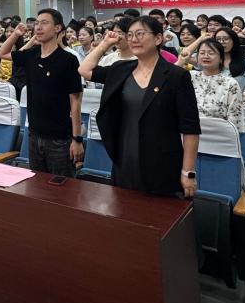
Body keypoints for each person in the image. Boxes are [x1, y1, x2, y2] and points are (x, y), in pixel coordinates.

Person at [80, 17, 201, 197]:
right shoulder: (121, 69)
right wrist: (105, 44)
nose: (133, 39)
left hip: (161, 163)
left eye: (140, 34)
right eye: (129, 35)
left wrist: (188, 171)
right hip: (124, 158)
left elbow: (190, 128)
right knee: (124, 208)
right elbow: (84, 70)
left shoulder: (176, 75)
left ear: (158, 38)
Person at [0, 9, 83, 176]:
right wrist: (16, 34)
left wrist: (77, 139)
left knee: (63, 187)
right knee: (37, 186)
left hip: (60, 139)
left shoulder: (68, 60)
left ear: (58, 28)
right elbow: (2, 53)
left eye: (44, 23)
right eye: (36, 23)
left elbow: (75, 101)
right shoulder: (31, 55)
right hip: (34, 135)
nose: (38, 27)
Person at [182, 37, 244, 133]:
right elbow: (167, 77)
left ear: (221, 59)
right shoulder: (189, 76)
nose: (206, 56)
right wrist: (200, 39)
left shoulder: (230, 83)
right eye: (202, 53)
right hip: (189, 131)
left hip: (220, 133)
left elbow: (235, 119)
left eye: (211, 53)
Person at [214, 27, 245, 102]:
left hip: (234, 106)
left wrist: (236, 102)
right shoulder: (208, 61)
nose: (222, 42)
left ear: (234, 41)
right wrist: (201, 39)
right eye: (218, 39)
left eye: (226, 39)